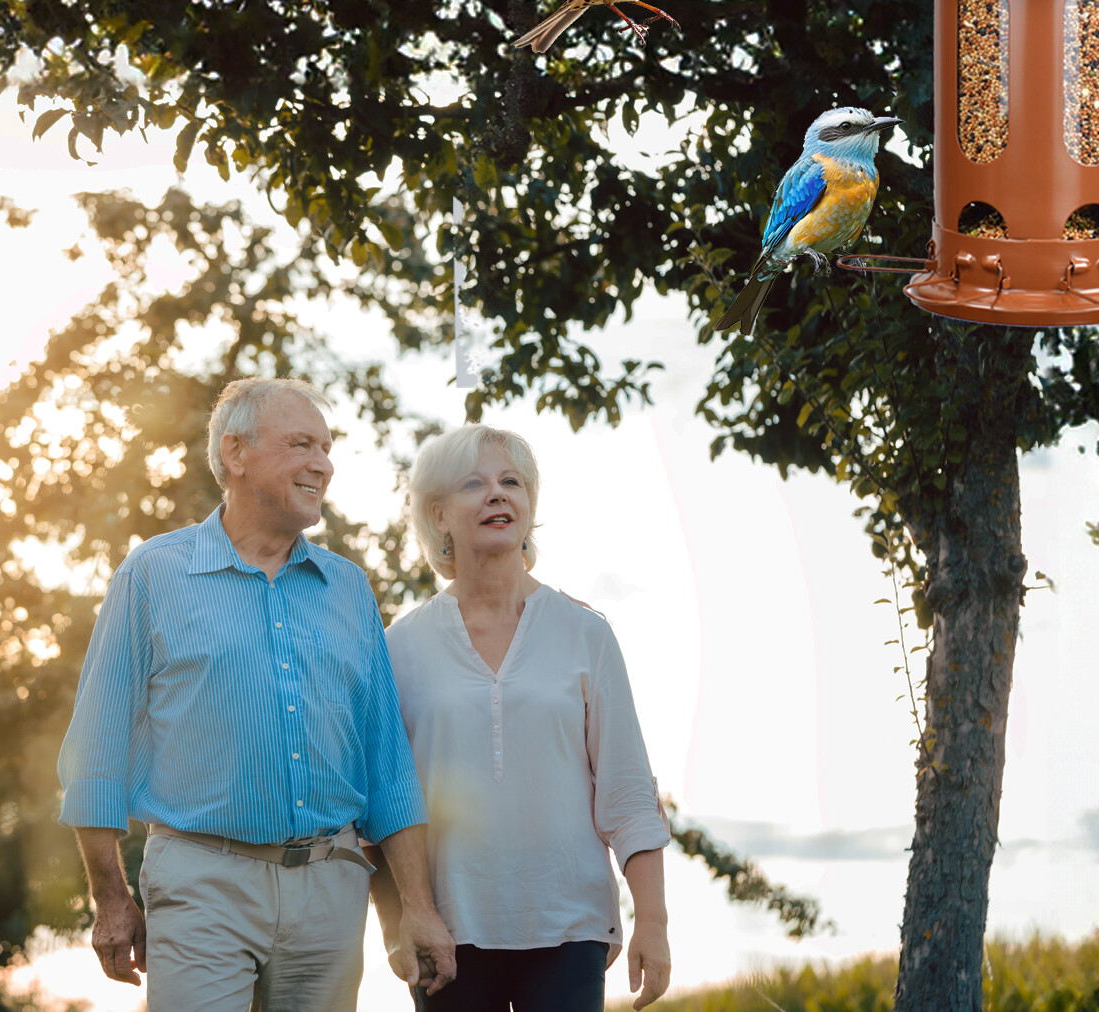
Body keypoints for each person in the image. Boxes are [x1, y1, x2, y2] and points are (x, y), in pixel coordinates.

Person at [56, 377, 457, 1011]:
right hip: (200, 879)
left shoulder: (348, 590)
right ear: (234, 454)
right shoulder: (153, 575)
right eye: (301, 444)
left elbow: (387, 766)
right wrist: (109, 895)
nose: (322, 464)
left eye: (326, 448)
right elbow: (97, 746)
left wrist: (419, 909)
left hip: (332, 887)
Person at [371, 423, 672, 1012]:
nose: (498, 494)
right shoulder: (397, 647)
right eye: (473, 484)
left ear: (530, 507)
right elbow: (384, 800)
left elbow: (628, 791)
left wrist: (653, 924)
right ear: (438, 516)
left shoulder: (586, 633)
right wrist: (398, 923)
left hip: (571, 927)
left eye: (512, 482)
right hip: (448, 935)